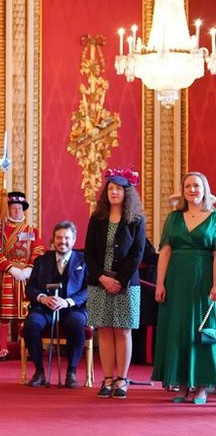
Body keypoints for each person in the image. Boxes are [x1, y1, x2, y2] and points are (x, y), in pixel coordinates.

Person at [152, 172, 216, 403]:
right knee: (177, 330)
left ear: (204, 189)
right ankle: (180, 383)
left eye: (196, 186)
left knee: (200, 330)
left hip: (203, 279)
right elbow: (165, 252)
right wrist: (160, 283)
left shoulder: (214, 217)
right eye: (188, 186)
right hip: (176, 279)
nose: (192, 189)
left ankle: (200, 385)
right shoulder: (174, 218)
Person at [85, 168, 146, 399]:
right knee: (105, 330)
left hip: (126, 284)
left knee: (122, 330)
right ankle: (108, 378)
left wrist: (118, 280)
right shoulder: (97, 218)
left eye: (118, 189)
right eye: (110, 189)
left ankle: (122, 379)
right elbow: (88, 253)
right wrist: (101, 277)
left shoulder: (136, 220)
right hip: (99, 282)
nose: (113, 192)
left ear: (126, 192)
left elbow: (137, 253)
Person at [22, 221, 88, 388]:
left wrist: (67, 302)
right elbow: (30, 288)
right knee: (31, 324)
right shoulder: (41, 261)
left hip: (72, 308)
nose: (63, 241)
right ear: (54, 239)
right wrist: (43, 298)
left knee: (77, 323)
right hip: (45, 308)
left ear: (74, 240)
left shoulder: (84, 261)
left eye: (67, 238)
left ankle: (71, 372)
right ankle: (39, 371)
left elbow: (90, 290)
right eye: (59, 237)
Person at [0, 192, 44, 361]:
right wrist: (11, 268)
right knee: (5, 315)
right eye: (13, 208)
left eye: (19, 208)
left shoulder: (31, 231)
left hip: (27, 276)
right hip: (6, 275)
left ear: (23, 210)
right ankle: (2, 348)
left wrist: (29, 269)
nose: (16, 211)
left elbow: (38, 251)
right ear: (9, 209)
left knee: (25, 314)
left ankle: (26, 347)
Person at [131, 238, 159, 365]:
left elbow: (150, 257)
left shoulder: (140, 238)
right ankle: (137, 355)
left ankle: (145, 356)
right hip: (137, 278)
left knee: (146, 322)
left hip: (147, 279)